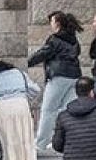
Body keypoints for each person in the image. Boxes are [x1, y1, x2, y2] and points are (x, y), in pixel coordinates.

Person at [29, 11, 83, 150]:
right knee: (68, 111)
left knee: (48, 110)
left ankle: (40, 143)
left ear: (57, 23)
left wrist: (27, 62)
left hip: (59, 76)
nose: (50, 25)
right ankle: (66, 141)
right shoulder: (73, 39)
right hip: (74, 77)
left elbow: (43, 53)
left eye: (52, 22)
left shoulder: (55, 39)